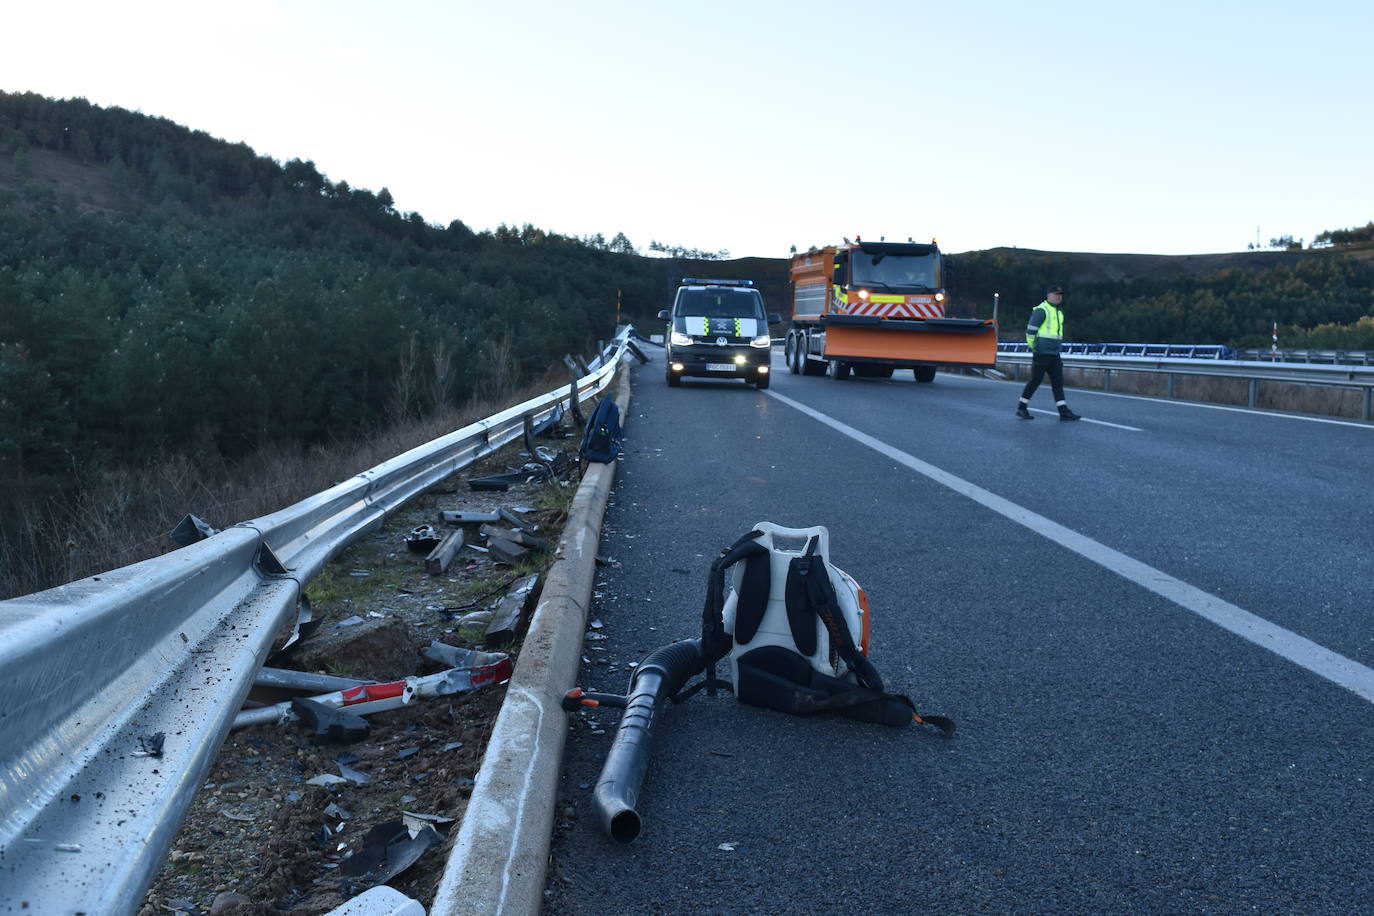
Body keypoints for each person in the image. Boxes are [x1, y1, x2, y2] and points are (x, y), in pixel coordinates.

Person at [1016, 285, 1081, 420]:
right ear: (1049, 295)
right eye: (1056, 294)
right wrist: (1034, 347)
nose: (1059, 297)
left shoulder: (1059, 311)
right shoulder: (1042, 310)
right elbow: (1030, 331)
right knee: (1036, 380)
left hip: (1054, 353)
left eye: (1061, 294)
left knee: (1058, 382)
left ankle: (1063, 412)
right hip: (1042, 353)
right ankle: (1021, 408)